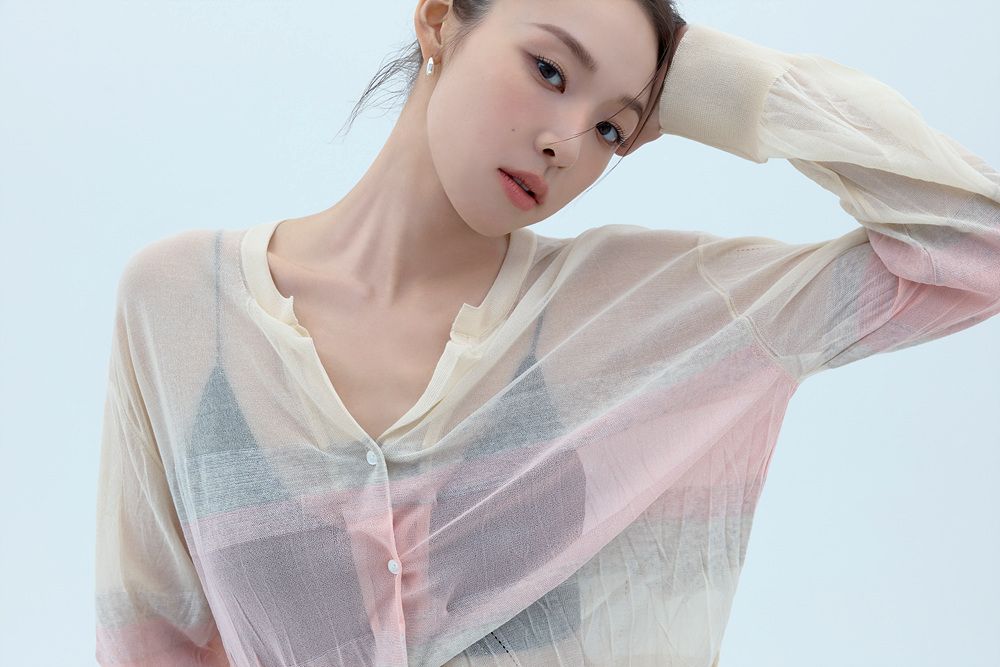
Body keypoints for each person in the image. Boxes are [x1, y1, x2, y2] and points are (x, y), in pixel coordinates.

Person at [94, 0, 999, 665]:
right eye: (551, 71)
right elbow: (151, 643)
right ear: (439, 20)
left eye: (611, 127)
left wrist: (707, 82)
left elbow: (978, 245)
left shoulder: (639, 313)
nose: (569, 141)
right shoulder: (183, 307)